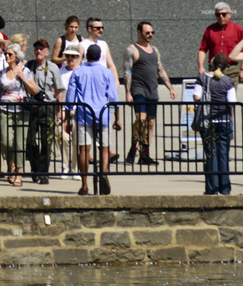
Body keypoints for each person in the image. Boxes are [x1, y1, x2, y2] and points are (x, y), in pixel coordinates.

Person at [64, 43, 119, 196]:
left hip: (83, 114)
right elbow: (114, 97)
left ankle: (85, 184)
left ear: (86, 56)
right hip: (103, 114)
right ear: (100, 56)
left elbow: (70, 99)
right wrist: (118, 118)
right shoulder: (106, 72)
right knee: (105, 148)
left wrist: (67, 119)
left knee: (83, 149)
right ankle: (103, 174)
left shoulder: (77, 72)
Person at [125, 21, 176, 165]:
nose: (150, 35)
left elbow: (160, 69)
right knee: (141, 119)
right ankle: (134, 147)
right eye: (147, 32)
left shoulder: (155, 50)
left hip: (152, 89)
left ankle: (144, 154)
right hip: (138, 88)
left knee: (150, 121)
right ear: (139, 32)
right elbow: (127, 72)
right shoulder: (131, 50)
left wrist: (170, 88)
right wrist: (128, 92)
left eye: (152, 32)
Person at [0, 35, 36, 187]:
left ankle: (18, 172)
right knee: (5, 141)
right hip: (4, 109)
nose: (6, 56)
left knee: (19, 143)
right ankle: (11, 165)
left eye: (9, 54)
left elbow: (35, 90)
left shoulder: (25, 70)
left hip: (21, 110)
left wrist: (23, 78)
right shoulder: (1, 73)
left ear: (17, 56)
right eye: (6, 54)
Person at [26, 36, 64, 183]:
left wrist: (60, 110)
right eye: (36, 48)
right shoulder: (29, 65)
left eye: (41, 49)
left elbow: (59, 91)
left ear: (47, 52)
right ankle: (35, 168)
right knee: (30, 141)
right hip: (32, 107)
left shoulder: (53, 68)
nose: (38, 51)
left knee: (46, 141)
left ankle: (44, 173)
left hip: (48, 107)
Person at [197, 63, 236, 194]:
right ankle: (225, 188)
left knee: (211, 153)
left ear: (211, 65)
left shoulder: (202, 78)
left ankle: (212, 188)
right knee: (223, 153)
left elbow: (196, 96)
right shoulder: (229, 81)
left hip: (209, 121)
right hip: (225, 120)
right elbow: (232, 102)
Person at [198, 3, 243, 78]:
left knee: (231, 90)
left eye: (223, 14)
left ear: (229, 14)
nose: (221, 17)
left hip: (231, 69)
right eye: (218, 14)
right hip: (214, 69)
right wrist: (200, 66)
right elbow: (202, 49)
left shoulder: (238, 30)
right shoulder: (209, 30)